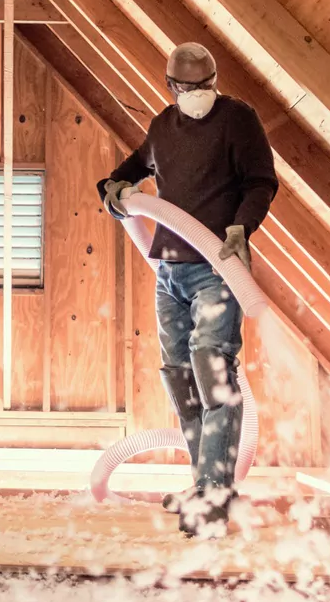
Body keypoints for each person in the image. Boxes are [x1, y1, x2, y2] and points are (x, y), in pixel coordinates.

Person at [97, 43, 278, 537]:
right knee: (180, 378)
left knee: (214, 375)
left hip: (217, 267)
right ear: (171, 87)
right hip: (170, 271)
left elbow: (261, 182)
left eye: (204, 86)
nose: (196, 95)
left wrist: (243, 227)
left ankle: (216, 500)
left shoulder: (237, 120)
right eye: (187, 88)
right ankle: (204, 485)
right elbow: (135, 168)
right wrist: (115, 189)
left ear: (214, 81)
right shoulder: (162, 127)